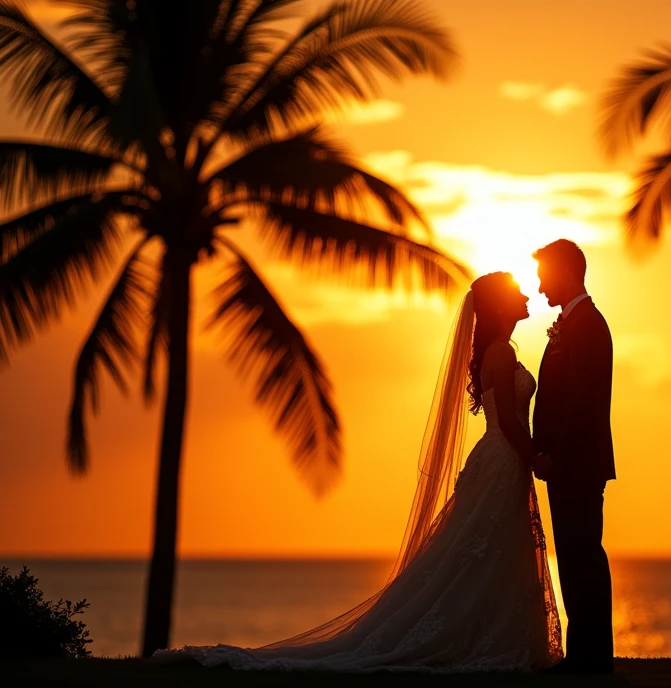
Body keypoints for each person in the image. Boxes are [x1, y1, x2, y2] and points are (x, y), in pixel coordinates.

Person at [153, 272, 562, 672]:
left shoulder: (499, 349)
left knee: (490, 551)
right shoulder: (501, 353)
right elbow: (509, 422)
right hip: (504, 457)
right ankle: (482, 636)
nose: (527, 296)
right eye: (517, 292)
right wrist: (535, 458)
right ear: (497, 304)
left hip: (501, 458)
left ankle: (492, 633)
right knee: (485, 549)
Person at [532, 239, 615, 674]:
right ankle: (584, 656)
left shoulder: (587, 326)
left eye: (544, 274)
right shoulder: (572, 323)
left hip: (577, 465)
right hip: (567, 465)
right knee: (574, 557)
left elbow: (581, 404)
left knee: (583, 556)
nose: (540, 285)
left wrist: (556, 458)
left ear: (565, 272)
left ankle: (592, 659)